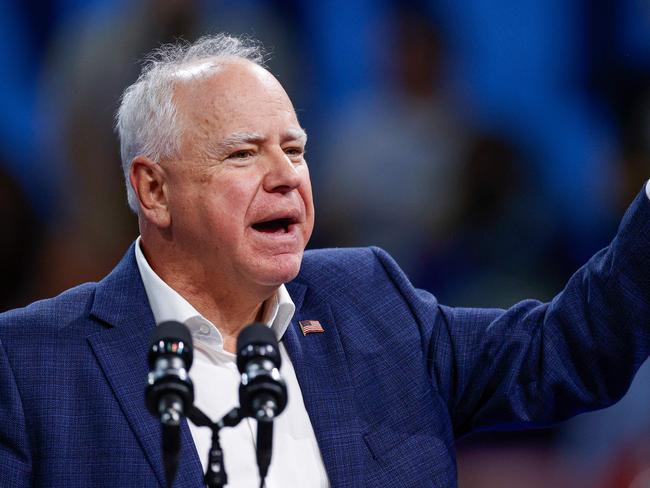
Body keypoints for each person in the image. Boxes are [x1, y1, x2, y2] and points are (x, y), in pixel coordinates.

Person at [1, 34, 650, 488]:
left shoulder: (368, 299)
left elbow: (565, 350)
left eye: (296, 150)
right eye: (244, 154)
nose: (287, 177)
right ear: (154, 190)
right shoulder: (32, 365)